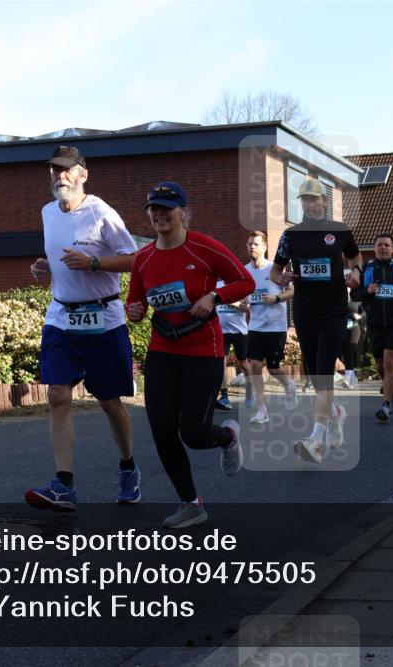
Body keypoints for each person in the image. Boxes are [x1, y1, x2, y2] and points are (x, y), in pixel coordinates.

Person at [126, 181, 254, 528]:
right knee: (161, 429)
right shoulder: (144, 258)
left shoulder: (204, 247)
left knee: (194, 434)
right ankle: (191, 504)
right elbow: (135, 300)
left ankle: (227, 437)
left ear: (184, 212)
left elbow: (245, 282)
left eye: (166, 207)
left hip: (203, 351)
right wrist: (134, 311)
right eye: (153, 208)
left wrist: (214, 297)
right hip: (163, 350)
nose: (159, 213)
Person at [25, 146, 140, 511]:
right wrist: (45, 268)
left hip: (103, 319)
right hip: (61, 316)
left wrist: (94, 262)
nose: (59, 176)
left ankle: (128, 466)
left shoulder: (101, 213)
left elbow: (136, 258)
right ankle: (64, 484)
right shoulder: (47, 213)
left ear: (82, 175)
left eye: (66, 170)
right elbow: (60, 258)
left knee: (109, 401)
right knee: (58, 394)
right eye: (54, 170)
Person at [271, 177, 362, 463]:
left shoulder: (340, 231)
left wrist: (356, 272)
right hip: (305, 311)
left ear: (324, 201)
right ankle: (336, 414)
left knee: (323, 373)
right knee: (314, 374)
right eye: (305, 200)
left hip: (334, 309)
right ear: (302, 204)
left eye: (315, 199)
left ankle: (315, 440)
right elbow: (275, 271)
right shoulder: (291, 236)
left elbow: (355, 256)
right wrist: (282, 278)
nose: (311, 204)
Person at [354, 233, 393, 423]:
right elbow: (355, 295)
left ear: (392, 249)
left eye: (387, 245)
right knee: (380, 364)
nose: (383, 248)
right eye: (380, 245)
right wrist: (367, 291)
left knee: (390, 361)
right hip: (374, 322)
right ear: (375, 248)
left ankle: (386, 405)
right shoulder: (367, 268)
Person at [243, 231, 298, 424]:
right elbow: (244, 298)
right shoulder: (244, 271)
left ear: (265, 247)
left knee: (273, 369)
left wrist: (276, 298)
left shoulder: (273, 270)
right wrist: (243, 305)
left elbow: (291, 290)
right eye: (249, 244)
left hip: (275, 326)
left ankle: (289, 384)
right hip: (255, 326)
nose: (251, 247)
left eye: (255, 244)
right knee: (256, 365)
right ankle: (262, 410)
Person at [214, 280, 251, 411]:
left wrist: (227, 300)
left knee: (243, 363)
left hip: (239, 331)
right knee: (221, 362)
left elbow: (245, 308)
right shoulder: (216, 285)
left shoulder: (241, 286)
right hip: (222, 331)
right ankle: (224, 396)